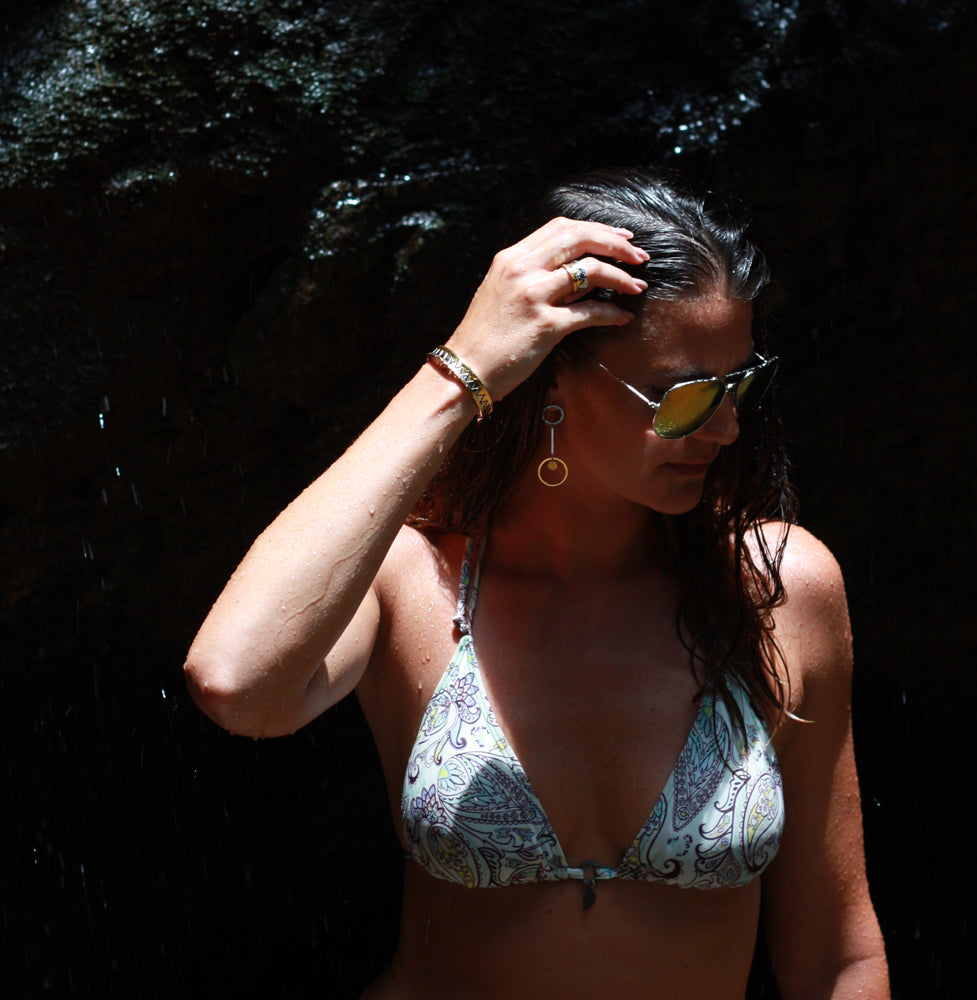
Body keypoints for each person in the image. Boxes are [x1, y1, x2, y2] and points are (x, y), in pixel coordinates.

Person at [185, 168, 890, 999]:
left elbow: (838, 958)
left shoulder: (774, 589)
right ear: (548, 371)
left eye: (741, 385)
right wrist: (458, 372)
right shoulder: (416, 578)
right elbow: (236, 684)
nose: (728, 427)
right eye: (686, 396)